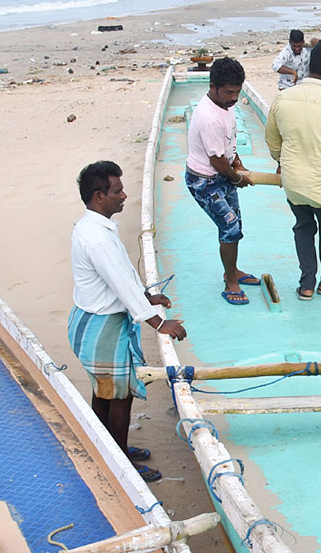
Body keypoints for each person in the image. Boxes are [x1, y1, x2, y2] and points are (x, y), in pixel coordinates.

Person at [68, 161, 187, 483]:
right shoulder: (98, 238)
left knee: (105, 389)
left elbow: (118, 279)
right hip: (103, 326)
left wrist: (147, 298)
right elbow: (120, 284)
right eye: (117, 191)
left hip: (94, 319)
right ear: (98, 197)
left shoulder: (94, 227)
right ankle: (120, 461)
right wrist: (159, 323)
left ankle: (109, 445)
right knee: (120, 394)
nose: (124, 195)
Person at [264, 38, 321, 301]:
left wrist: (284, 162)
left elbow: (273, 141)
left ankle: (306, 285)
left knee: (303, 228)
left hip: (293, 186)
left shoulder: (283, 99)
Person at [186, 57, 259, 306]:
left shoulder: (225, 108)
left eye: (238, 92)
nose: (234, 98)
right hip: (205, 182)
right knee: (230, 230)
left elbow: (228, 146)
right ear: (213, 85)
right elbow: (217, 162)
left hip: (222, 175)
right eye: (229, 92)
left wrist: (238, 164)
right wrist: (237, 177)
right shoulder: (208, 118)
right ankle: (231, 282)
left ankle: (233, 270)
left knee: (234, 226)